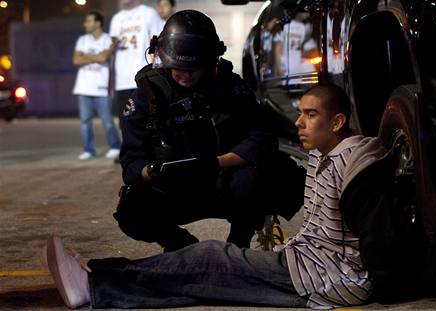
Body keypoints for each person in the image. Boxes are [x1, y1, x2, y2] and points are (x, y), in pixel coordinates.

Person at [42, 84, 391, 309]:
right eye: (299, 112)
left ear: (337, 122)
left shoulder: (357, 166)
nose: (299, 122)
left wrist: (383, 288)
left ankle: (93, 280)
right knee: (205, 281)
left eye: (310, 114)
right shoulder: (321, 153)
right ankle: (96, 280)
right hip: (308, 265)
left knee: (211, 258)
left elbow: (378, 239)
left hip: (327, 278)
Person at [114, 10, 304, 251]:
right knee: (133, 209)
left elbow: (262, 137)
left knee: (273, 174)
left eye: (194, 69)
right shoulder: (146, 97)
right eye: (179, 69)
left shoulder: (229, 86)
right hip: (174, 189)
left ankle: (239, 243)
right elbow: (131, 163)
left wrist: (217, 163)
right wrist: (152, 171)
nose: (186, 77)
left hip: (224, 181)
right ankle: (182, 246)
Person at [72, 11, 121, 161]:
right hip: (83, 87)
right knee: (85, 122)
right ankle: (88, 149)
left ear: (98, 23)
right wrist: (95, 57)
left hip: (101, 88)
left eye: (88, 21)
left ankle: (115, 147)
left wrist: (86, 56)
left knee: (107, 121)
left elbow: (104, 57)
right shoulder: (82, 40)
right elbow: (76, 60)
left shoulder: (108, 39)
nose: (85, 24)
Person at [109, 0, 164, 123]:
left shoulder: (149, 13)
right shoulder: (117, 18)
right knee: (124, 123)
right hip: (122, 80)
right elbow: (112, 46)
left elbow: (158, 43)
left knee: (146, 122)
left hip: (143, 77)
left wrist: (157, 71)